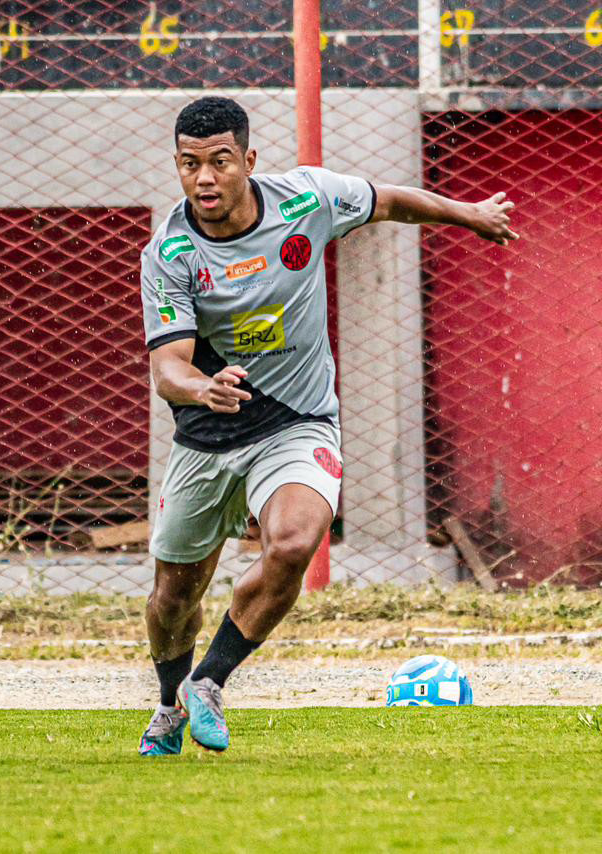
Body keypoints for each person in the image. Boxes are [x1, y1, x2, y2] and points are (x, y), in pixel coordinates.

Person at [138, 97, 517, 755]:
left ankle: (210, 682)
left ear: (248, 161)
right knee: (173, 597)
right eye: (189, 164)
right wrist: (206, 387)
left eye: (219, 162)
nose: (204, 179)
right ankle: (169, 706)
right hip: (207, 434)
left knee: (293, 542)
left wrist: (470, 215)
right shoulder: (169, 253)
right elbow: (168, 369)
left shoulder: (305, 201)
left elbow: (389, 200)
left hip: (296, 421)